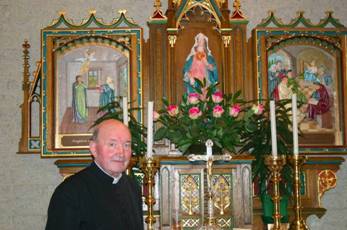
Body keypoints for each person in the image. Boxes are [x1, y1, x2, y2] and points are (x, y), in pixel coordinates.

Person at [46, 119, 144, 230]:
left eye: (126, 145)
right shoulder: (70, 192)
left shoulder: (132, 186)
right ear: (93, 149)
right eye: (112, 144)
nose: (121, 152)